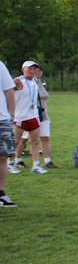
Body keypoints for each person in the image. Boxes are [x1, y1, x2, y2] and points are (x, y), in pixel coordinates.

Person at [15, 65, 56, 168]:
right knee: (23, 139)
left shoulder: (41, 83)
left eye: (39, 71)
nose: (37, 72)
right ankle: (17, 160)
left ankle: (47, 161)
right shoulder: (25, 82)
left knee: (45, 137)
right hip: (28, 114)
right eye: (35, 70)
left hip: (42, 114)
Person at [12, 61, 47, 174]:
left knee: (35, 141)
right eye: (29, 69)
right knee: (16, 141)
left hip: (33, 115)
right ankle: (10, 163)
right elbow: (7, 92)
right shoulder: (18, 81)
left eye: (34, 69)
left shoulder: (35, 81)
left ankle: (36, 165)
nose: (32, 71)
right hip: (20, 116)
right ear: (23, 69)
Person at [0, 60, 17, 207]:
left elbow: (9, 91)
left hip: (2, 120)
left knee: (2, 157)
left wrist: (11, 115)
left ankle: (0, 193)